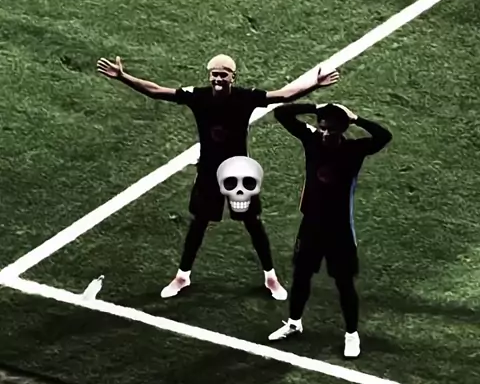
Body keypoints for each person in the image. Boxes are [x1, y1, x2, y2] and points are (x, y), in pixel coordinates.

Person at [96, 54, 340, 300]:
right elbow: (157, 91)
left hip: (238, 172)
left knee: (253, 223)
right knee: (199, 223)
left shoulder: (246, 97)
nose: (218, 79)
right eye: (215, 74)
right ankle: (182, 276)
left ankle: (271, 278)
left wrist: (315, 84)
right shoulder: (198, 96)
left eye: (223, 74)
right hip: (208, 172)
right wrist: (123, 77)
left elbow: (283, 96)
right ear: (209, 75)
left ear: (233, 77)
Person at [268, 101, 392, 357]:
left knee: (344, 284)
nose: (324, 133)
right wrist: (317, 107)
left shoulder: (354, 149)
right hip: (311, 225)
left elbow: (384, 136)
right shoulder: (312, 139)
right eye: (322, 127)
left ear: (342, 130)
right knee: (301, 276)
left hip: (340, 230)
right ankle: (294, 323)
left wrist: (356, 118)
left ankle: (351, 335)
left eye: (331, 130)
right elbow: (282, 113)